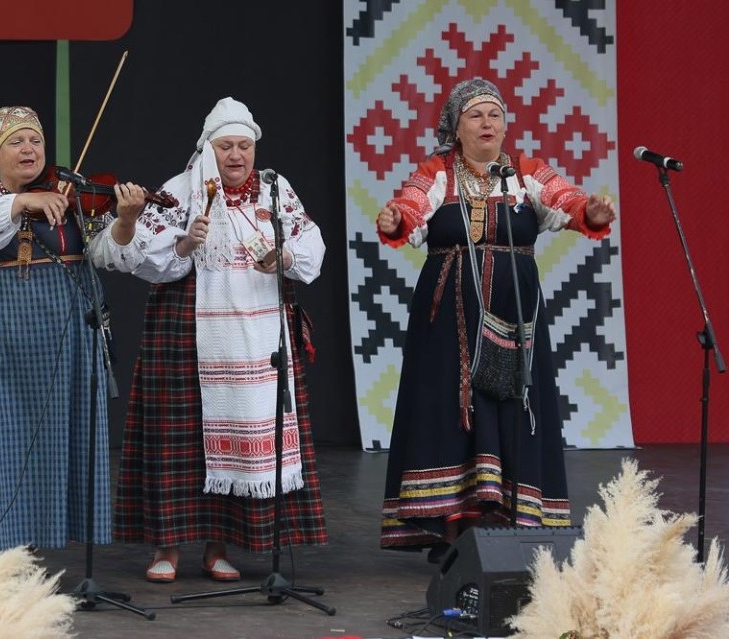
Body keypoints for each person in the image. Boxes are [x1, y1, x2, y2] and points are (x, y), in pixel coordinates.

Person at [375, 78, 616, 563]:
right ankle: (452, 534)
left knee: (512, 407)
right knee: (451, 411)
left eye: (495, 115)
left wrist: (589, 209)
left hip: (516, 320)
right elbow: (411, 207)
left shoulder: (526, 173)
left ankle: (511, 527)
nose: (488, 124)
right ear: (456, 127)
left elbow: (567, 201)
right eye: (476, 116)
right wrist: (395, 220)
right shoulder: (437, 172)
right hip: (449, 321)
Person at [106, 97, 328, 583]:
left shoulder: (275, 189)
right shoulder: (180, 191)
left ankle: (217, 546)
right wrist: (186, 242)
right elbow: (142, 257)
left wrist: (284, 257)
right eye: (226, 146)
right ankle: (166, 548)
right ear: (208, 148)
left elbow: (310, 241)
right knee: (179, 438)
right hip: (189, 326)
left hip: (258, 334)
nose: (236, 155)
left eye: (244, 146)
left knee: (242, 430)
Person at [0, 106, 147, 566]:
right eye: (17, 142)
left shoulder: (70, 194)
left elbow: (105, 253)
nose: (29, 149)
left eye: (35, 141)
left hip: (67, 325)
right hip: (2, 328)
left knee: (56, 432)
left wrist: (128, 220)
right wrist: (19, 203)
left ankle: (31, 539)